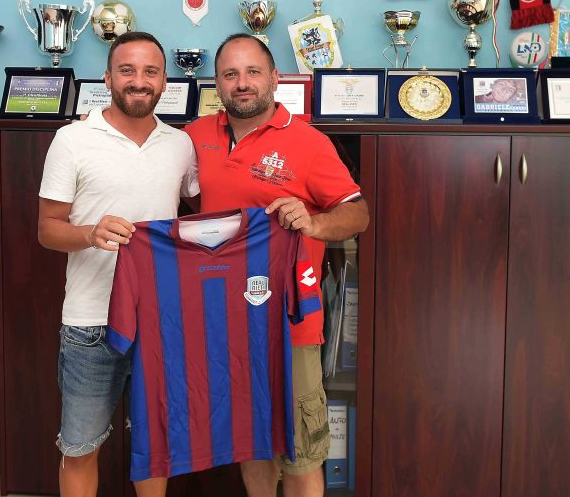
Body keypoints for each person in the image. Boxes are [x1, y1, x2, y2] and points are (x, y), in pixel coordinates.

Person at [184, 34, 369, 497]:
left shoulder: (309, 142)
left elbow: (358, 214)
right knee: (252, 444)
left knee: (300, 452)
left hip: (290, 323)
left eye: (252, 72)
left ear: (274, 78)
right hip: (223, 321)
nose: (242, 83)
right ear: (217, 84)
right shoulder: (194, 136)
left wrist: (314, 222)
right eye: (230, 74)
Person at [37, 31, 199, 497]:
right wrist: (90, 232)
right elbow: (47, 229)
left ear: (164, 81)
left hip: (160, 321)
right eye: (127, 70)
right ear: (107, 78)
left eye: (150, 71)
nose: (139, 81)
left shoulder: (181, 145)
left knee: (155, 445)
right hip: (91, 323)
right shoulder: (72, 140)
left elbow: (200, 212)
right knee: (80, 447)